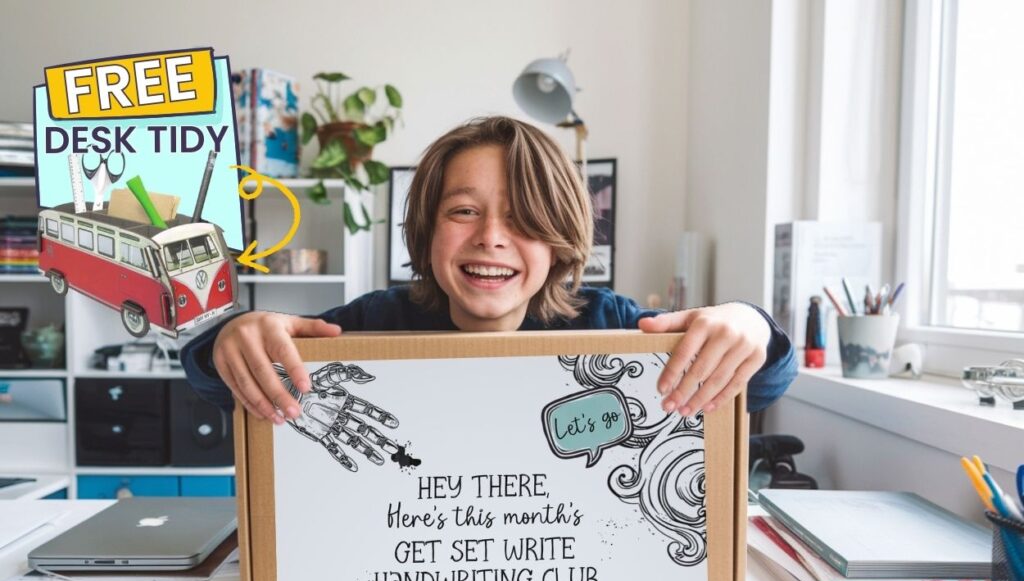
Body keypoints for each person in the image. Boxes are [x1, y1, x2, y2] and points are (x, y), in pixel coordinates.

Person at [182, 116, 796, 424]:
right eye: (464, 211)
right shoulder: (372, 325)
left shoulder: (612, 324)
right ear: (425, 233)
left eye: (525, 219)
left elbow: (764, 383)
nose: (492, 238)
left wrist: (752, 327)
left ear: (558, 242)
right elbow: (217, 378)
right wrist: (235, 337)